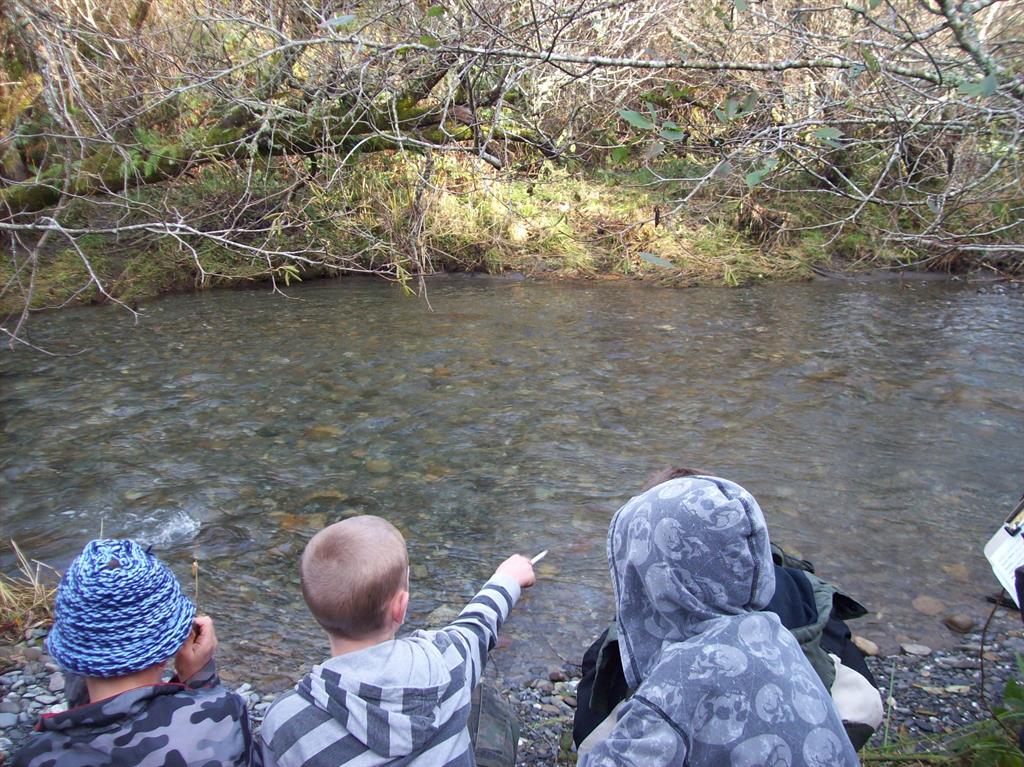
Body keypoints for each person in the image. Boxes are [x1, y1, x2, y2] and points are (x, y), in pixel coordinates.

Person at [574, 466, 882, 751]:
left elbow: (589, 738)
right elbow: (846, 648)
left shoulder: (640, 638)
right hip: (845, 717)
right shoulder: (799, 584)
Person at [258, 515, 535, 767]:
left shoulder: (286, 721)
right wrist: (507, 579)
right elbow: (478, 623)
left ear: (314, 612)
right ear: (401, 606)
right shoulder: (447, 660)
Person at [13, 538, 254, 767]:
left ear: (71, 652)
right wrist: (201, 679)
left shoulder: (33, 757)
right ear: (173, 643)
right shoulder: (223, 715)